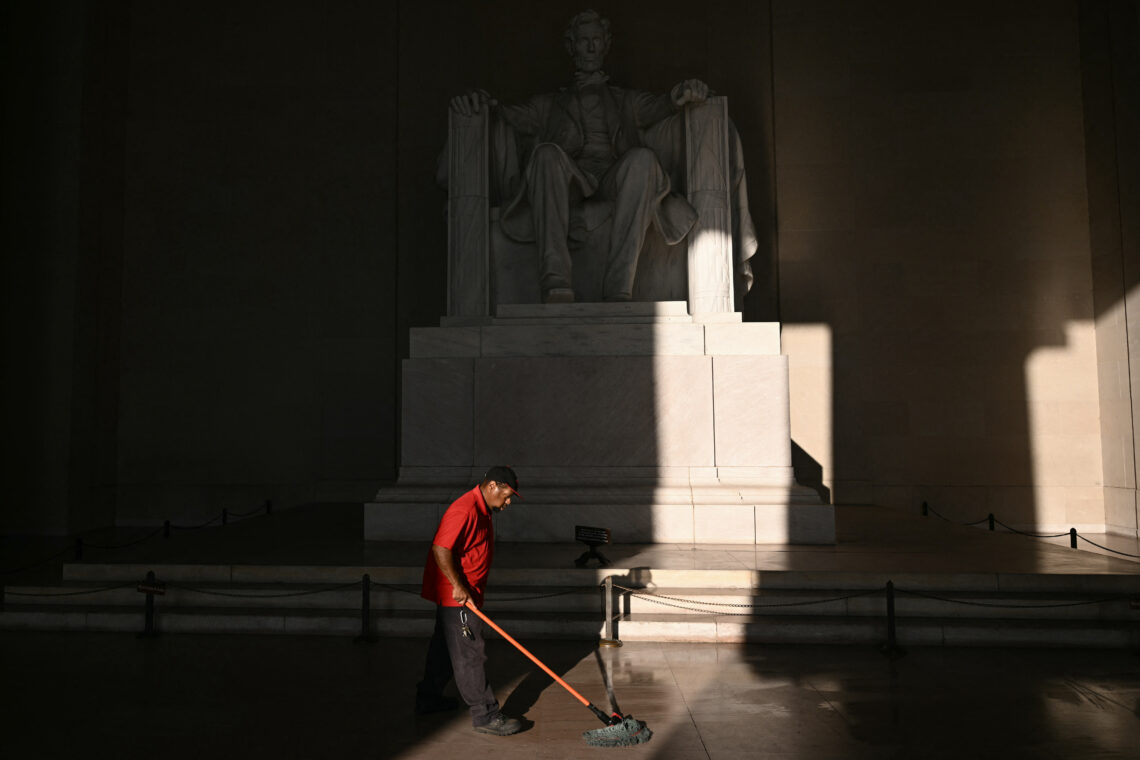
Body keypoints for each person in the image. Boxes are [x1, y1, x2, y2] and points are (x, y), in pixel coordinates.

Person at [450, 9, 711, 304]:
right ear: (571, 47)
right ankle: (555, 279)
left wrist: (683, 92)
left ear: (606, 43)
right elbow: (506, 115)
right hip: (571, 180)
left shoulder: (627, 100)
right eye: (583, 40)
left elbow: (665, 104)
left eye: (596, 39)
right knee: (546, 154)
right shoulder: (548, 105)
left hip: (614, 180)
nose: (590, 47)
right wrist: (480, 101)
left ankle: (619, 286)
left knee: (643, 160)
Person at [415, 466, 524, 736]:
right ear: (493, 487)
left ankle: (428, 698)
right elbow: (441, 548)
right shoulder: (464, 509)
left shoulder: (483, 509)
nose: (508, 502)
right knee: (470, 653)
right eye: (508, 495)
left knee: (443, 648)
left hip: (463, 594)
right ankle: (485, 714)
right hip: (457, 598)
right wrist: (458, 586)